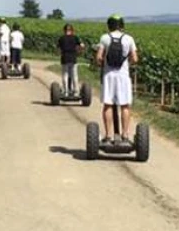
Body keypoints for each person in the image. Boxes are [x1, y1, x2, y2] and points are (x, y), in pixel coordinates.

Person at [94, 15, 138, 143]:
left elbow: (98, 58)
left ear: (109, 25)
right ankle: (124, 135)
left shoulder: (105, 38)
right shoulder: (129, 39)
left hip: (109, 76)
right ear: (122, 25)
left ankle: (108, 136)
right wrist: (127, 62)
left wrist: (103, 63)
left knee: (108, 105)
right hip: (123, 76)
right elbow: (135, 59)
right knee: (125, 105)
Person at [56, 23, 85, 95]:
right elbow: (82, 45)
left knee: (65, 75)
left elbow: (58, 49)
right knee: (74, 75)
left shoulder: (61, 38)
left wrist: (60, 53)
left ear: (64, 30)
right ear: (72, 30)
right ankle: (76, 91)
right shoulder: (75, 37)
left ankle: (65, 91)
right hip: (73, 58)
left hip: (64, 58)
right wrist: (80, 51)